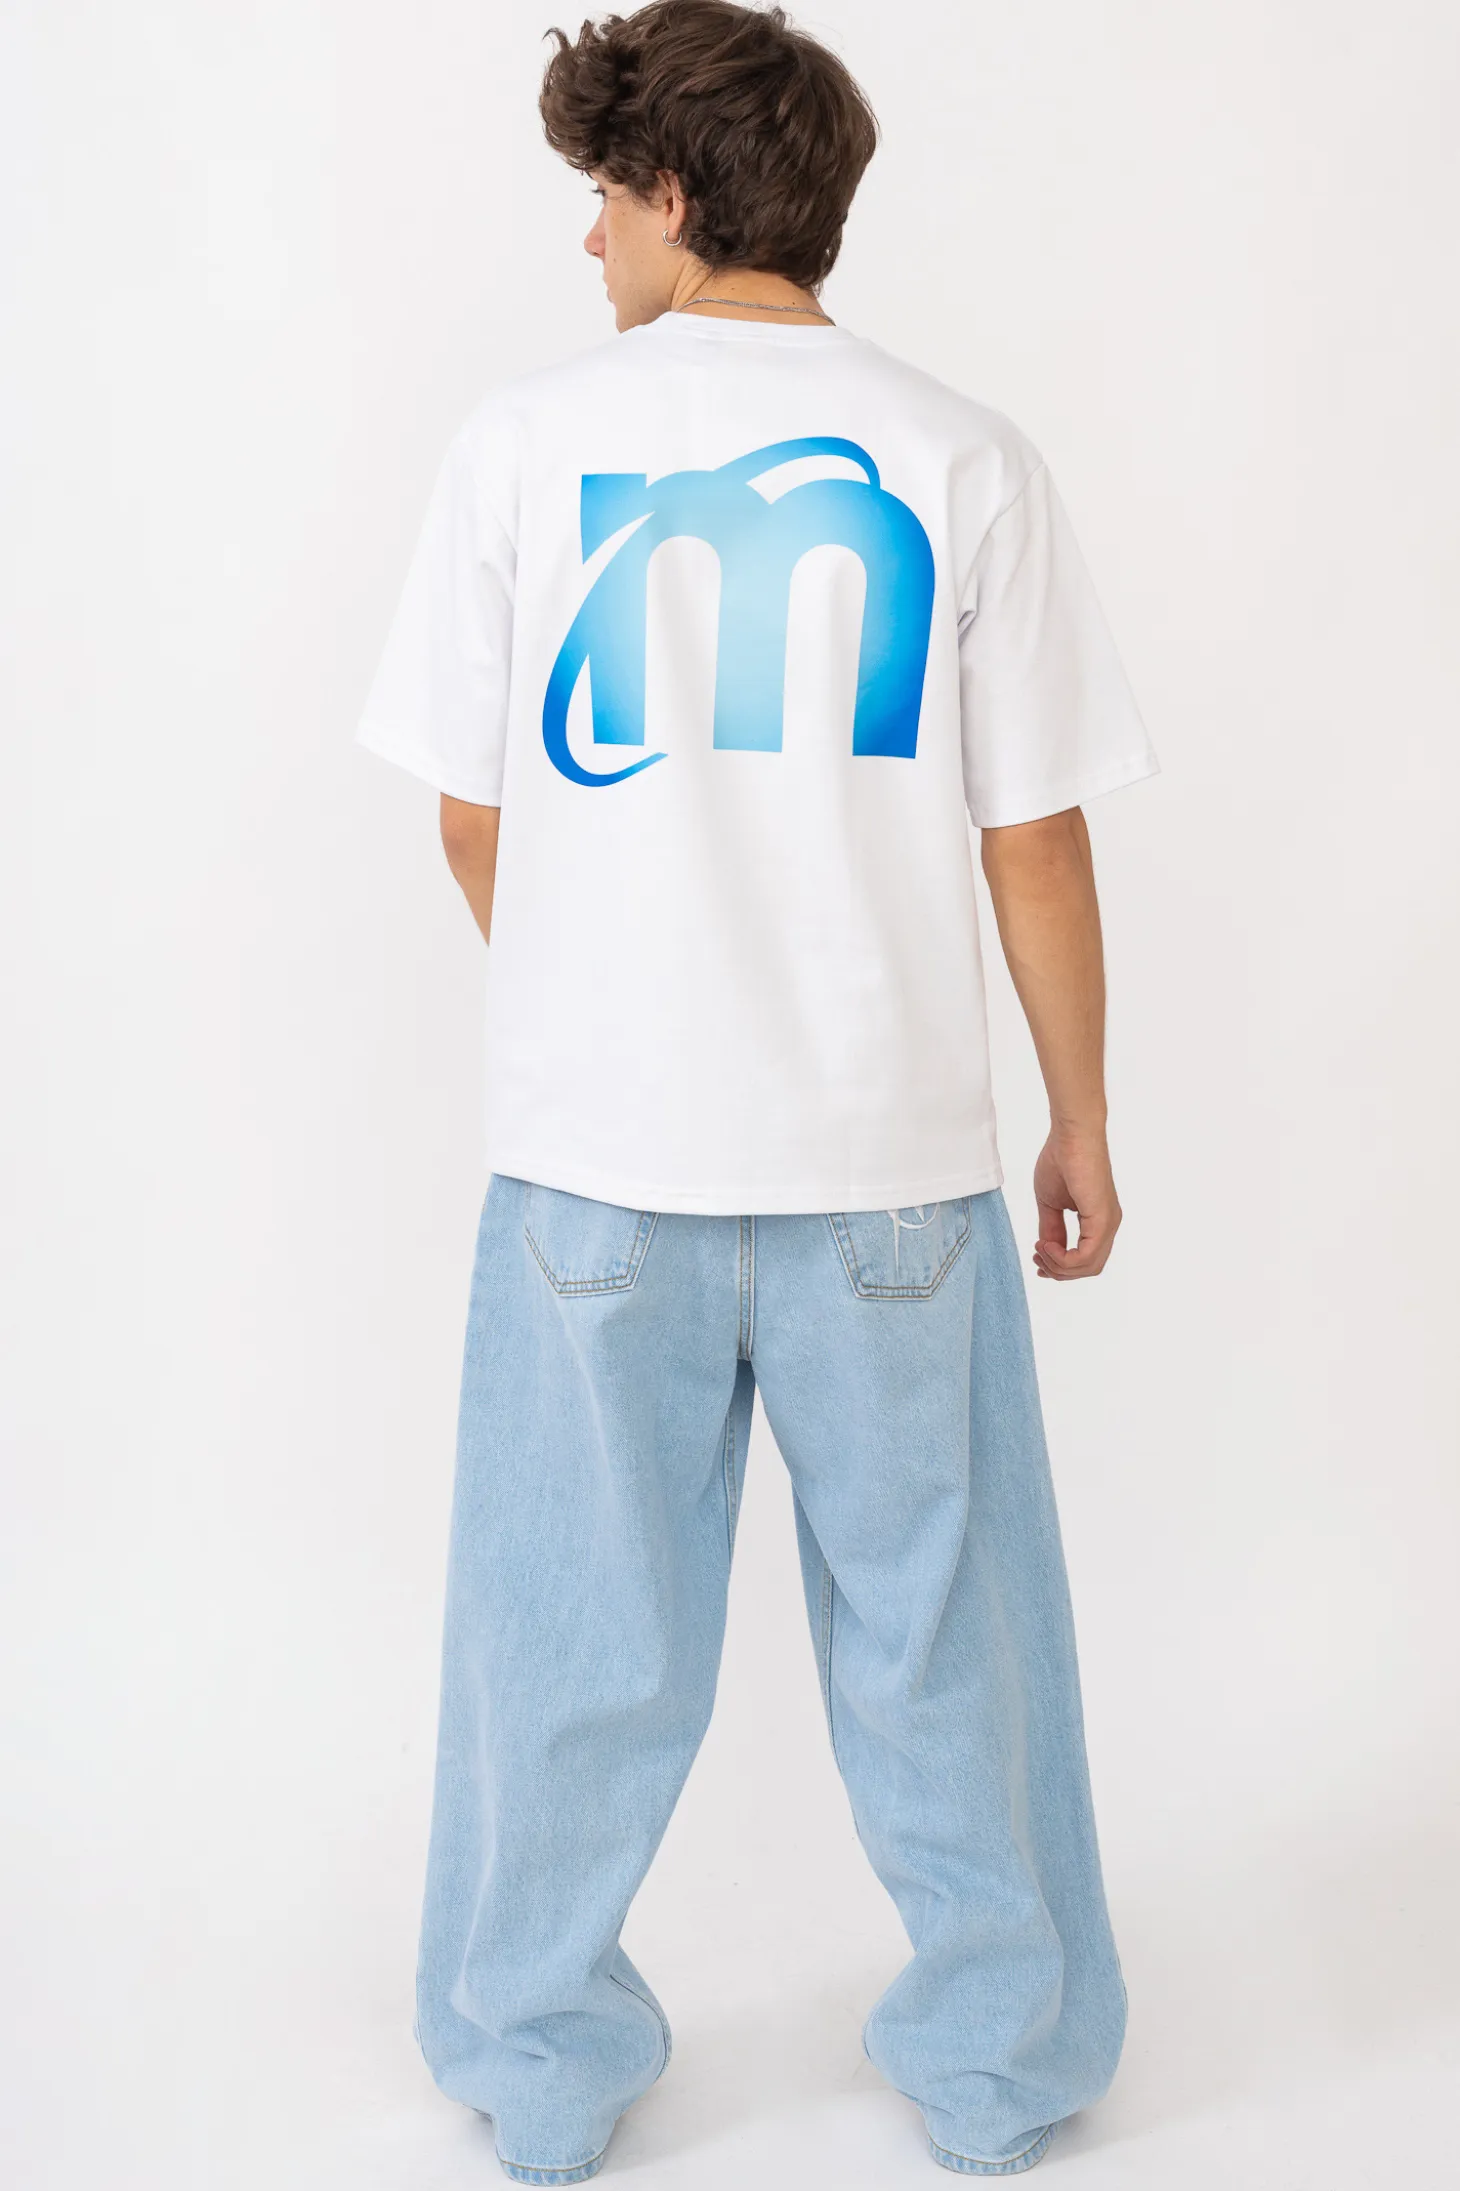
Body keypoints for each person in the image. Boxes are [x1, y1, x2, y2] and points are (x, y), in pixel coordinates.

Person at [355, 2, 1159, 2179]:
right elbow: (1034, 836)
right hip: (889, 1173)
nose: (587, 243)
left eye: (602, 198)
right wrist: (1078, 1116)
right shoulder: (964, 458)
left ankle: (536, 2073)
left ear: (679, 191)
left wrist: (609, 998)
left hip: (591, 1177)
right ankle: (999, 2070)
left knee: (565, 1646)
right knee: (946, 1637)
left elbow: (472, 814)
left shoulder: (524, 449)